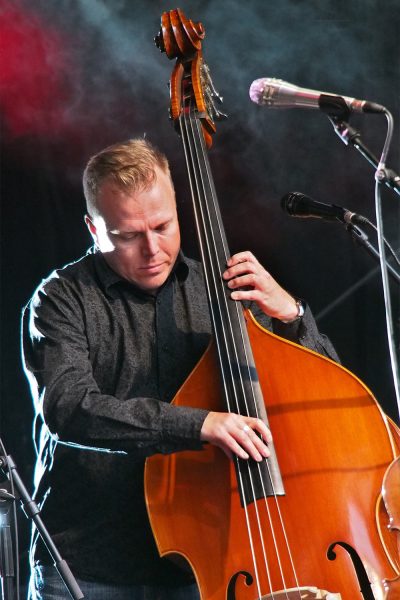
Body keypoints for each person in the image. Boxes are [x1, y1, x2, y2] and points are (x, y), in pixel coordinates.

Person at [22, 138, 339, 600]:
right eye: (128, 235)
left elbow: (325, 400)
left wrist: (291, 316)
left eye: (163, 226)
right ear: (94, 229)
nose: (152, 249)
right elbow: (70, 409)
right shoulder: (59, 300)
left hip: (206, 559)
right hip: (91, 563)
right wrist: (200, 424)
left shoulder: (229, 293)